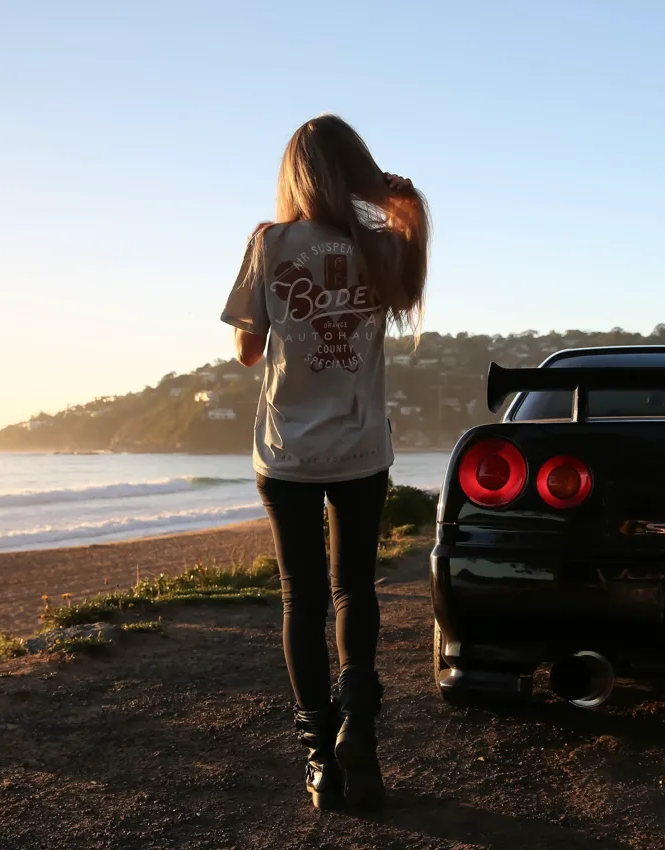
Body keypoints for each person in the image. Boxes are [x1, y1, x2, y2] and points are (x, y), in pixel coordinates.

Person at [219, 114, 429, 811]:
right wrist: (406, 211)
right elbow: (403, 299)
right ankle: (360, 725)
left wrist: (290, 323)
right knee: (354, 590)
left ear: (295, 176)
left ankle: (319, 758)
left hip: (287, 452)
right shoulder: (381, 246)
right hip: (362, 447)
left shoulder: (269, 242)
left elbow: (249, 351)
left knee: (301, 601)